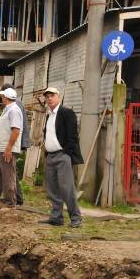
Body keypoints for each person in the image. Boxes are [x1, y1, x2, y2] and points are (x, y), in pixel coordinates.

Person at [40, 87, 84, 227]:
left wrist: (66, 152)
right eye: (47, 96)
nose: (49, 99)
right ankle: (56, 217)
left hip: (62, 155)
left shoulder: (67, 112)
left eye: (52, 95)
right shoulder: (49, 115)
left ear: (59, 97)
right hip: (51, 156)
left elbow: (73, 136)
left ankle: (76, 218)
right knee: (52, 188)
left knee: (67, 188)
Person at [0, 87, 23, 209]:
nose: (2, 98)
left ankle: (10, 202)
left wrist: (9, 149)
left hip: (6, 149)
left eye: (3, 96)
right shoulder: (7, 109)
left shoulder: (14, 110)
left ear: (6, 98)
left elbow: (16, 131)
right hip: (1, 148)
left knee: (8, 177)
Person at [0, 83, 31, 205]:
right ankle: (16, 198)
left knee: (10, 171)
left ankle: (17, 198)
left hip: (14, 143)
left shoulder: (14, 104)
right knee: (11, 171)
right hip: (15, 142)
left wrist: (9, 147)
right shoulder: (15, 103)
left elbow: (16, 129)